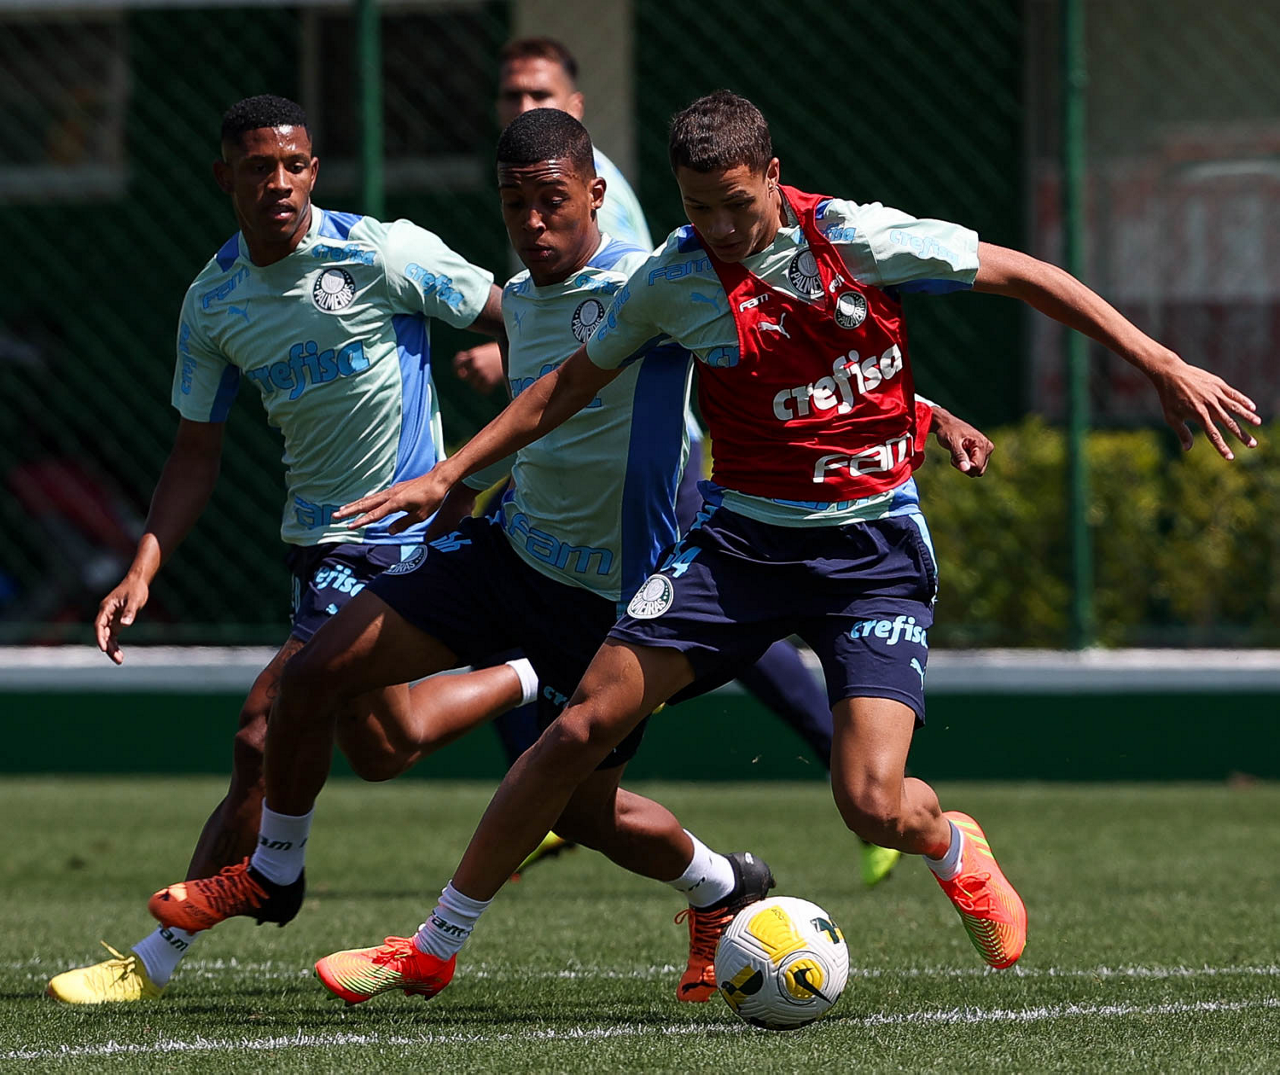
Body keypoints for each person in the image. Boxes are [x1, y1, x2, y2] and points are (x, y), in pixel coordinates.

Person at [306, 90, 1260, 1000]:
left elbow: (1025, 273)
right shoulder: (673, 279)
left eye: (735, 203)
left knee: (872, 803)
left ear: (773, 174)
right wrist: (453, 474)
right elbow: (566, 385)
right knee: (579, 727)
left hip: (872, 554)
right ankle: (433, 949)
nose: (719, 227)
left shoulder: (857, 237)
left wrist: (1161, 362)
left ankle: (951, 843)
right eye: (696, 207)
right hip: (741, 549)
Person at [150, 108, 999, 1006]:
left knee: (590, 813)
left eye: (550, 200)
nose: (532, 222)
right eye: (513, 203)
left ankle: (722, 885)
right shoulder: (520, 297)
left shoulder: (656, 281)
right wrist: (458, 491)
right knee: (314, 673)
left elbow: (803, 359)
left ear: (595, 194)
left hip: (610, 598)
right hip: (510, 552)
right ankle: (275, 871)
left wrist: (925, 411)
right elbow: (538, 419)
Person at [45, 94, 525, 1004]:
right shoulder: (213, 301)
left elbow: (522, 318)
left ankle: (158, 953)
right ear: (224, 176)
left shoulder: (382, 252)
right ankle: (535, 669)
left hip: (402, 537)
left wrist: (490, 417)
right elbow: (195, 453)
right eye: (258, 167)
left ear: (314, 170)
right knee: (385, 745)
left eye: (294, 164)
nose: (279, 182)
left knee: (261, 727)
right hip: (316, 546)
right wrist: (144, 563)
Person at [460, 36, 904, 888]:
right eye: (510, 96)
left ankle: (856, 787)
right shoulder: (534, 189)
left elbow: (632, 316)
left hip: (657, 458)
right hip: (582, 453)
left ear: (577, 109)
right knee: (552, 610)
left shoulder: (608, 205)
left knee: (725, 631)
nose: (522, 109)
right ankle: (551, 786)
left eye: (539, 94)